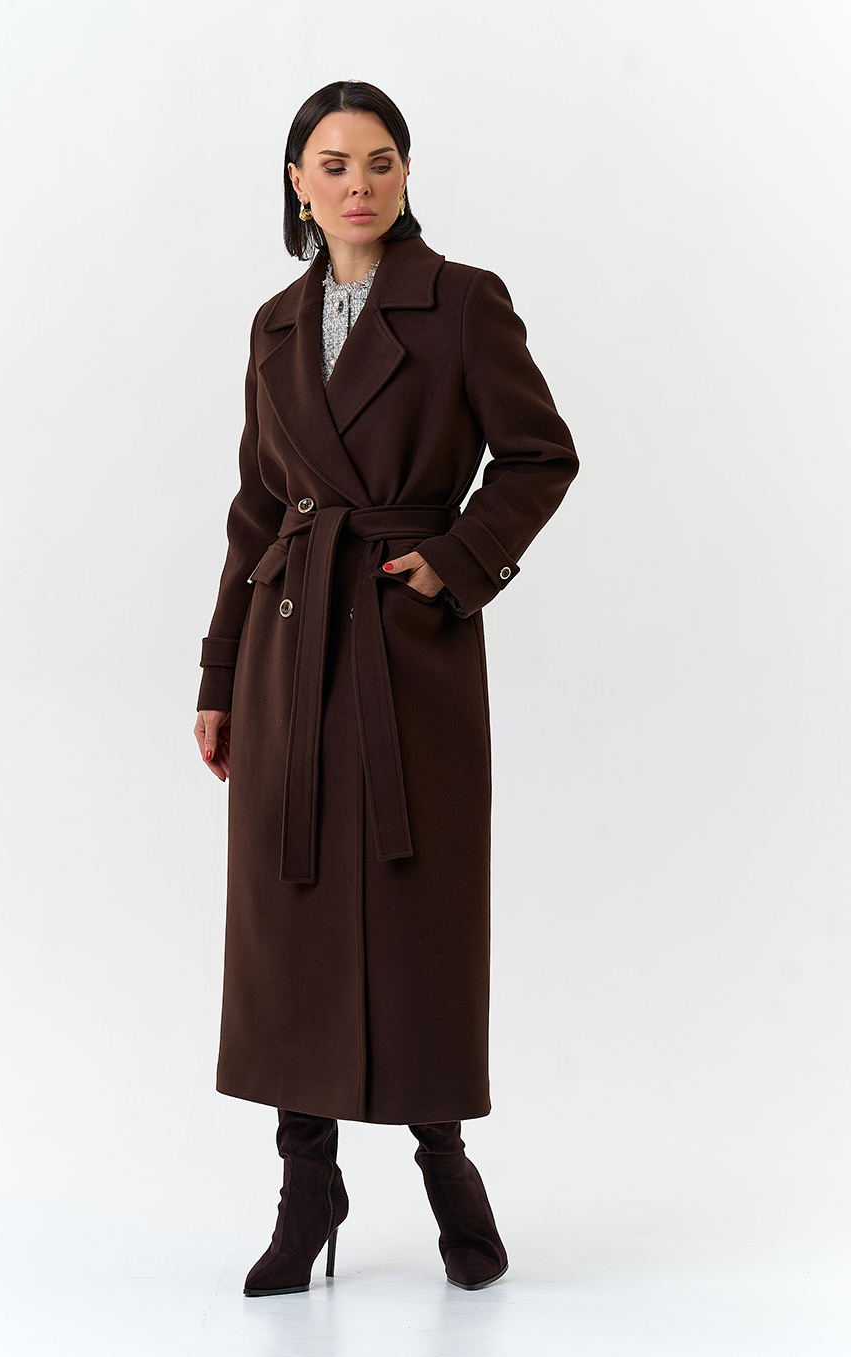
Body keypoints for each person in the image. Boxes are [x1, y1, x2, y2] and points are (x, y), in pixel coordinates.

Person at [193, 80, 579, 1297]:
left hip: (406, 646)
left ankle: (443, 1163)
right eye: (332, 163)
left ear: (405, 174)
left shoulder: (461, 301)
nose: (357, 183)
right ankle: (305, 1187)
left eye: (379, 161)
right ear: (296, 184)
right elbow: (257, 510)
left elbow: (537, 455)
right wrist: (218, 672)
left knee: (417, 914)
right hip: (287, 642)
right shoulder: (272, 324)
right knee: (291, 911)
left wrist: (452, 563)